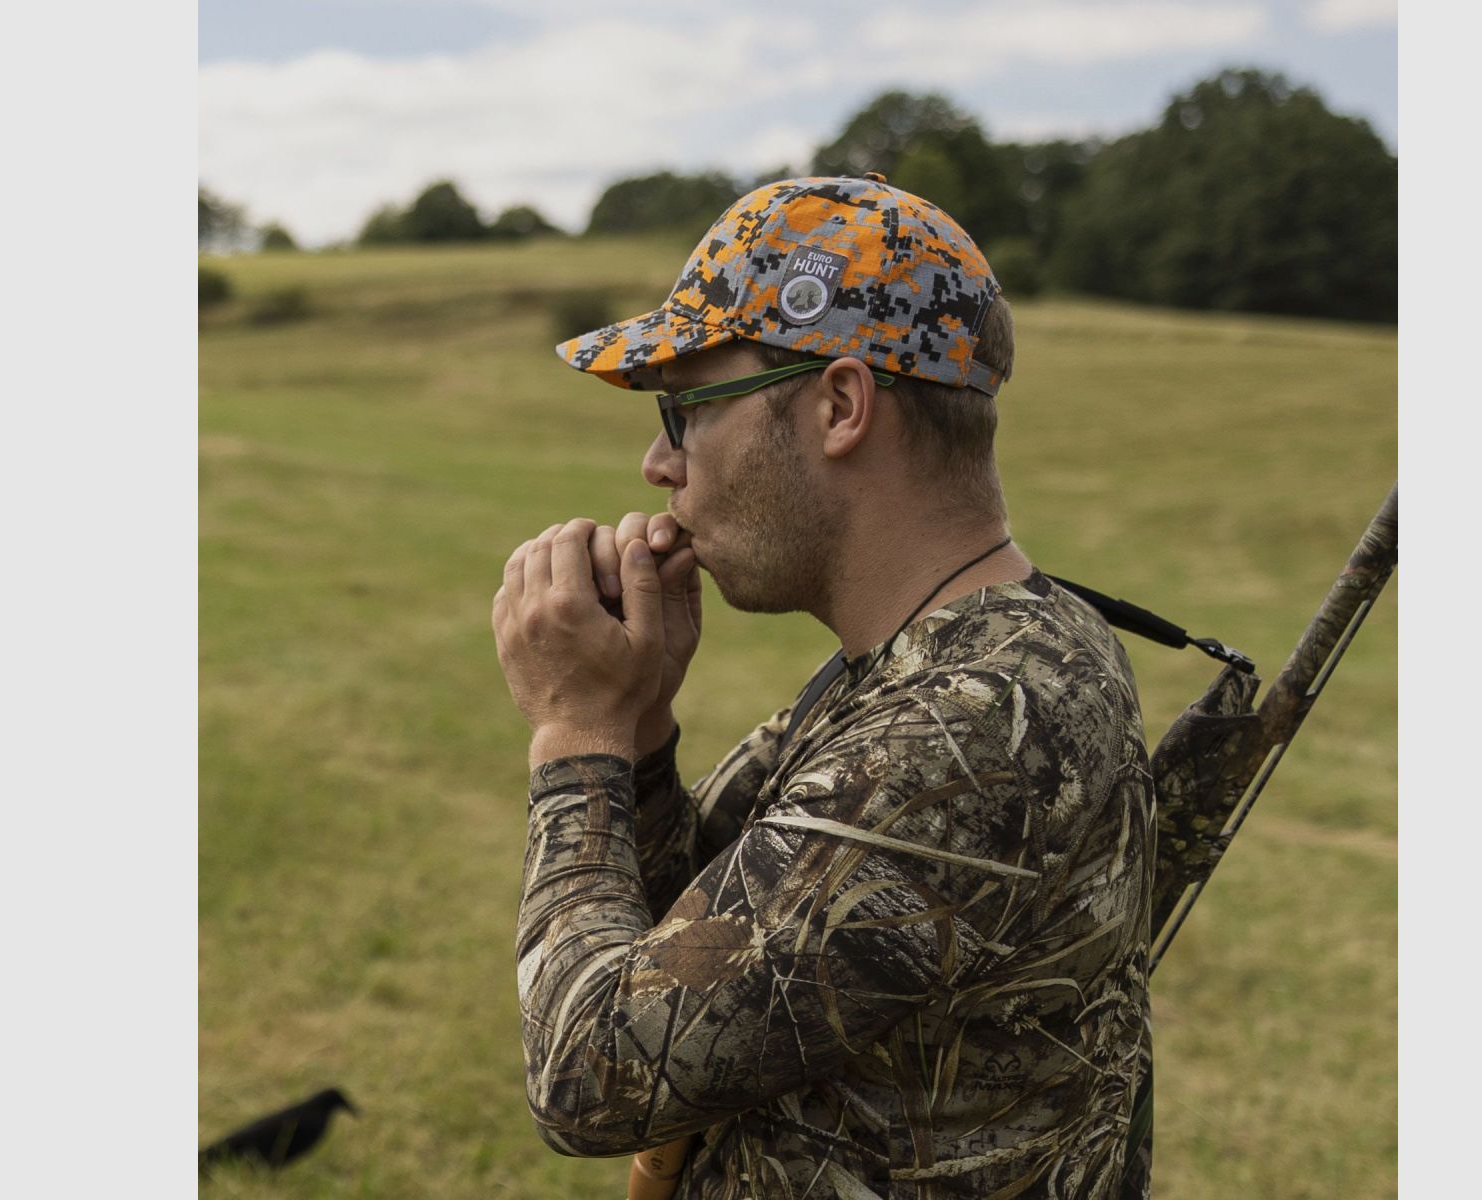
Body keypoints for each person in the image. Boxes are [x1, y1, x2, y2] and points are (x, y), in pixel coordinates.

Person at [492, 175, 1154, 1199]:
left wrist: (575, 734)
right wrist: (642, 727)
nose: (657, 462)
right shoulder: (937, 663)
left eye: (685, 408)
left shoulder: (975, 721)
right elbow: (688, 946)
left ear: (839, 405)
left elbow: (593, 1074)